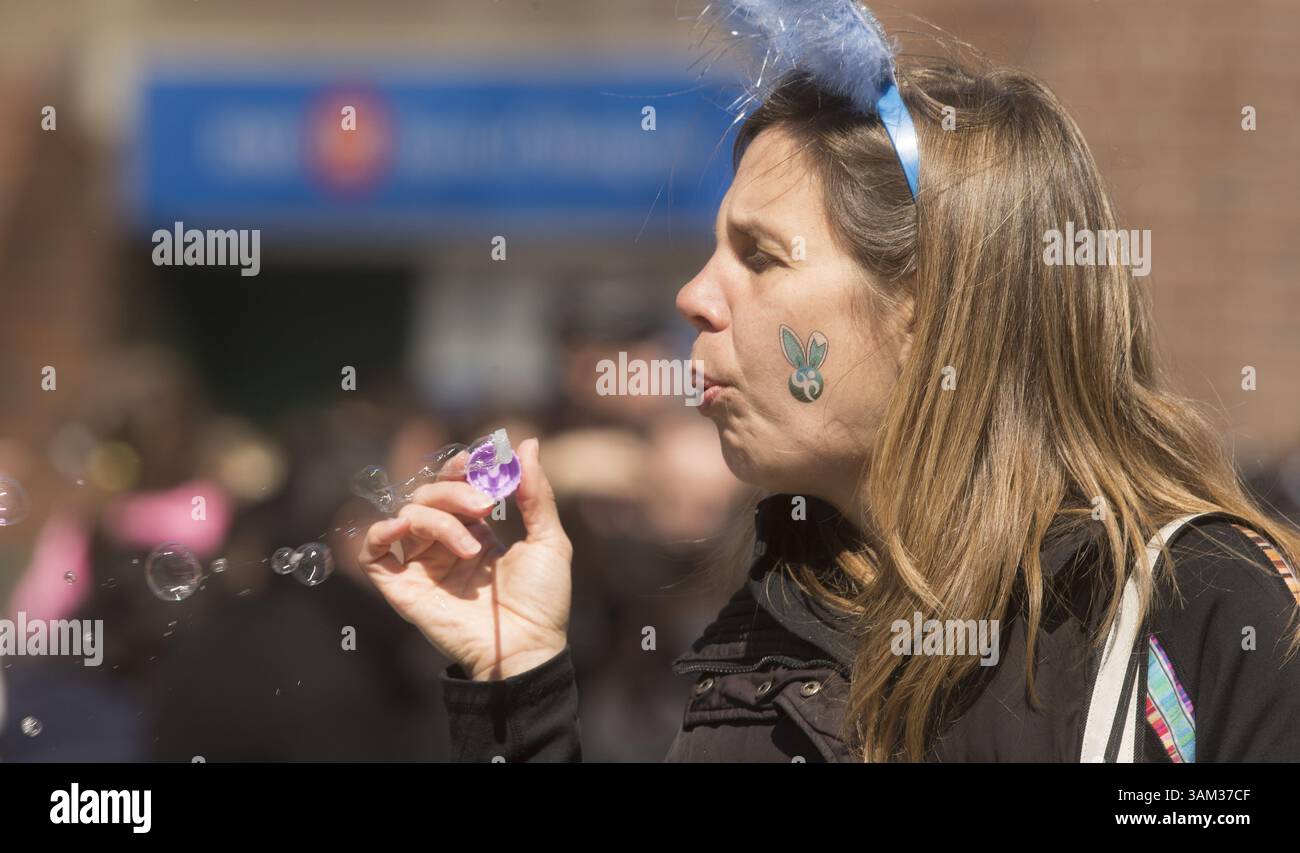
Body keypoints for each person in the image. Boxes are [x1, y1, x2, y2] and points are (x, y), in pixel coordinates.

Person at [359, 53, 1300, 761]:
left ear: (931, 309)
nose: (694, 295)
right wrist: (519, 682)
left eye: (760, 256)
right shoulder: (774, 629)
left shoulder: (1199, 610)